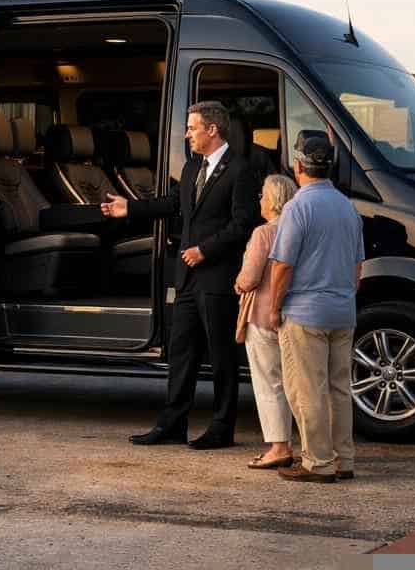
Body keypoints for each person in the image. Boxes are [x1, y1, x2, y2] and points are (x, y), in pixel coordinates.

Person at [101, 101, 262, 449]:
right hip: (188, 278)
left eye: (192, 128)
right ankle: (172, 424)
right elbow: (172, 204)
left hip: (218, 277)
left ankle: (222, 429)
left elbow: (243, 223)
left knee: (221, 357)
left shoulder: (241, 170)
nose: (187, 133)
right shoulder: (192, 168)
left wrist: (206, 249)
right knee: (181, 353)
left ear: (212, 130)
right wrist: (130, 208)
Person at [266, 130, 364, 483]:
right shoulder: (347, 206)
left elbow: (283, 265)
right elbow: (357, 269)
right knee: (339, 389)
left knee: (307, 389)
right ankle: (344, 459)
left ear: (297, 165)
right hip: (343, 310)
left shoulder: (297, 207)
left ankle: (317, 462)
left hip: (305, 312)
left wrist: (275, 308)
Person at [235, 173, 298, 469]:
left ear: (273, 201)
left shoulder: (264, 233)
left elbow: (249, 278)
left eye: (262, 195)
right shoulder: (300, 229)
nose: (259, 200)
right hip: (296, 314)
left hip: (262, 315)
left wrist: (238, 283)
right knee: (297, 383)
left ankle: (279, 446)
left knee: (269, 382)